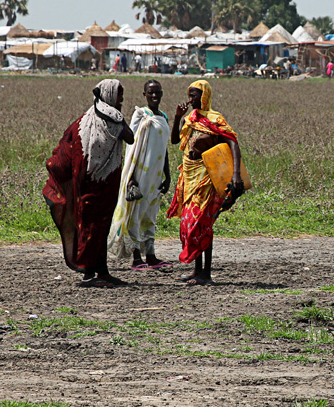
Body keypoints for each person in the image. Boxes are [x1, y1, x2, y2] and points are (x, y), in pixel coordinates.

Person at [43, 79, 136, 288]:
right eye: (119, 95)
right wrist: (120, 117)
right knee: (94, 228)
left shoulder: (85, 119)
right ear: (110, 95)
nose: (121, 100)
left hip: (87, 182)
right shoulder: (114, 118)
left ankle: (101, 272)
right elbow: (129, 138)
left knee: (96, 228)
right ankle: (89, 274)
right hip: (100, 184)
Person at [168, 80, 243, 285]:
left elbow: (232, 142)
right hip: (189, 176)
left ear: (205, 96)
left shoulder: (215, 119)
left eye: (196, 95)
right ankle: (197, 270)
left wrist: (236, 174)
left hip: (206, 177)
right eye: (190, 95)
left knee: (202, 223)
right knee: (188, 223)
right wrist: (177, 118)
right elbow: (175, 141)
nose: (192, 99)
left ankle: (206, 273)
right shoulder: (190, 119)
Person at [108, 79, 173, 271]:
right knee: (135, 213)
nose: (154, 96)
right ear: (144, 95)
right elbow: (132, 148)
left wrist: (167, 175)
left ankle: (150, 255)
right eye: (150, 92)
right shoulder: (140, 115)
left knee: (150, 213)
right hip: (139, 173)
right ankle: (136, 257)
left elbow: (164, 148)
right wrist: (131, 177)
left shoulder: (163, 116)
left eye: (157, 92)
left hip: (155, 174)